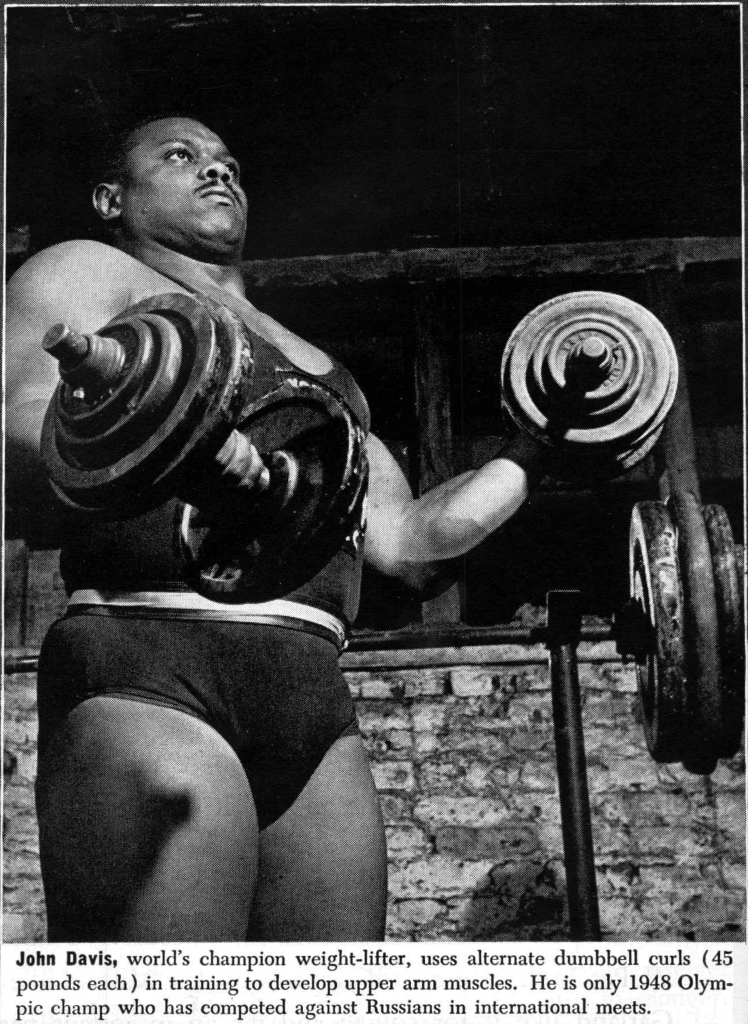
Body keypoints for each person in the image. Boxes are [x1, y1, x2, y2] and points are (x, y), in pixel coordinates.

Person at [6, 116, 549, 941]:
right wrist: (189, 448)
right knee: (171, 1000)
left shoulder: (319, 371)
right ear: (111, 197)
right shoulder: (91, 269)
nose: (217, 171)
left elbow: (406, 543)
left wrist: (545, 440)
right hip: (152, 660)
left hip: (307, 686)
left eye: (229, 162)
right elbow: (20, 413)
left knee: (324, 997)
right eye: (182, 157)